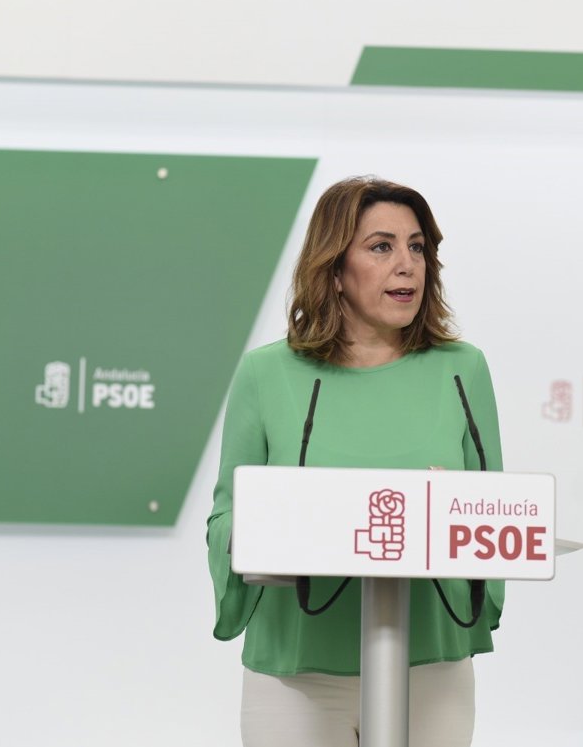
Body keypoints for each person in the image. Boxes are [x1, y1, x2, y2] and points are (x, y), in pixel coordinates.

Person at [206, 176, 504, 747]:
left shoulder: (464, 368)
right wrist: (272, 527)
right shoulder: (265, 373)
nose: (407, 265)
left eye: (417, 247)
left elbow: (494, 510)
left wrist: (453, 510)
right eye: (380, 247)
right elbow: (226, 519)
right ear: (334, 269)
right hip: (297, 673)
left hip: (430, 669)